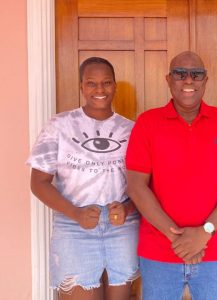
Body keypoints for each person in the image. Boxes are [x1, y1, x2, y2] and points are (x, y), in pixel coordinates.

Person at [125, 51, 217, 300]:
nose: (188, 80)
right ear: (168, 79)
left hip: (214, 251)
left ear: (206, 79)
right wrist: (177, 238)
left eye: (196, 74)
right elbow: (137, 186)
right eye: (180, 74)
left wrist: (205, 232)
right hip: (159, 251)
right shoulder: (147, 123)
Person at [28, 57, 140, 300]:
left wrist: (127, 207)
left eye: (106, 83)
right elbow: (38, 182)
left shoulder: (132, 130)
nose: (99, 90)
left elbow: (143, 184)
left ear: (115, 86)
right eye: (91, 83)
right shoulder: (59, 126)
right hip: (74, 225)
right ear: (81, 86)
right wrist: (75, 213)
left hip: (121, 226)